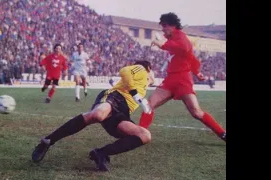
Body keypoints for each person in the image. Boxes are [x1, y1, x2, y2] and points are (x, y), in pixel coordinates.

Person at [32, 61, 153, 171]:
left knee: (145, 135)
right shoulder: (141, 69)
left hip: (122, 112)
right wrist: (135, 94)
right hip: (115, 98)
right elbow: (125, 71)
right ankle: (48, 140)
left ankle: (100, 153)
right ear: (149, 68)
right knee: (98, 115)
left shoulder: (144, 85)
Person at [138, 12, 226, 142]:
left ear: (172, 26)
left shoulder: (181, 38)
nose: (162, 29)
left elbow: (184, 49)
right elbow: (190, 57)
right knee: (149, 105)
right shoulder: (172, 37)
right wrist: (197, 71)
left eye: (164, 25)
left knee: (196, 112)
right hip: (170, 80)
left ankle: (222, 133)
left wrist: (160, 44)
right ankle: (139, 133)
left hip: (183, 80)